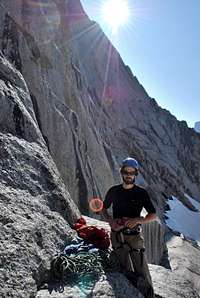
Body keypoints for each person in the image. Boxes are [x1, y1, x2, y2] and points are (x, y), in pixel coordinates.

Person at [102, 157, 157, 298]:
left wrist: (138, 220)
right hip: (117, 235)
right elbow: (103, 208)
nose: (129, 175)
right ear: (122, 172)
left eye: (132, 172)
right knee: (124, 269)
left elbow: (153, 215)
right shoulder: (113, 191)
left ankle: (149, 294)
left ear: (136, 174)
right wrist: (110, 221)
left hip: (134, 237)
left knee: (142, 269)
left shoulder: (141, 193)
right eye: (126, 171)